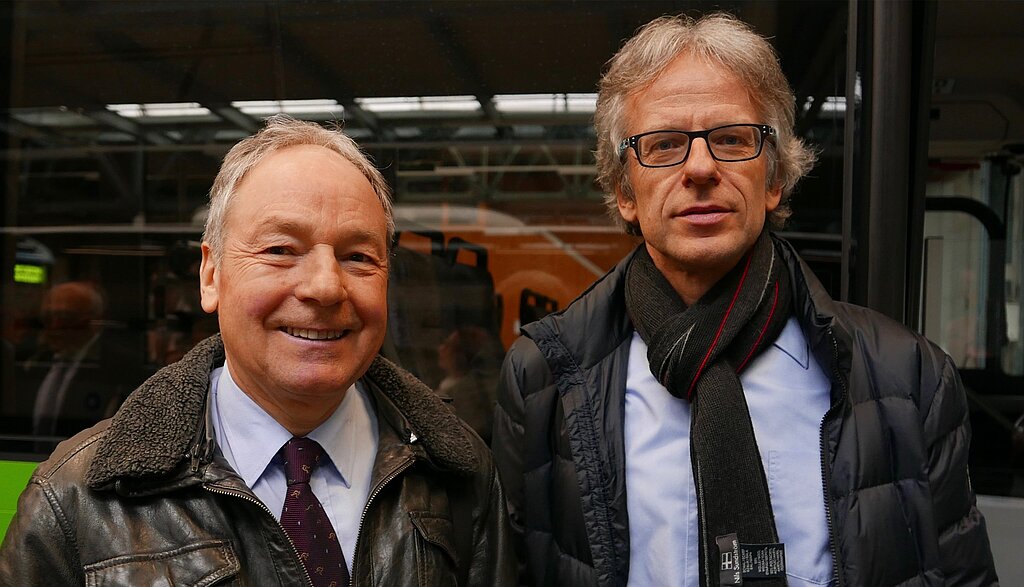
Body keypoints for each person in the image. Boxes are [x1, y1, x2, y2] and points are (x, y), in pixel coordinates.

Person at [491, 13, 998, 587]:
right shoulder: (545, 379)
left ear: (774, 177)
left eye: (732, 140)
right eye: (664, 145)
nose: (701, 168)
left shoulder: (909, 376)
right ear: (624, 190)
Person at [0, 114, 514, 586]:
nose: (325, 287)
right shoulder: (74, 501)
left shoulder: (461, 477)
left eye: (358, 256)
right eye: (280, 250)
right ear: (211, 274)